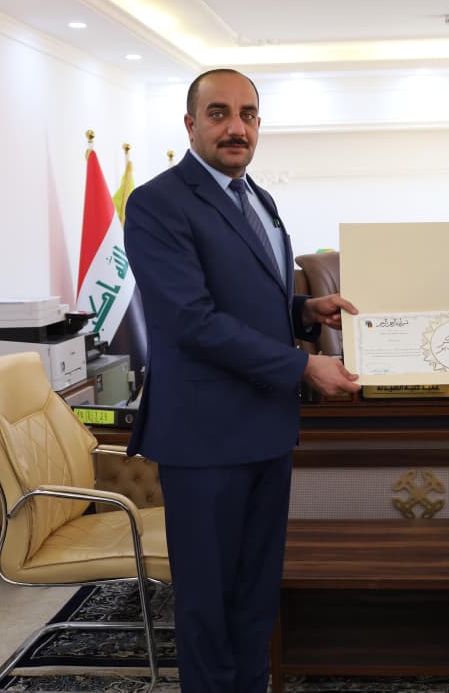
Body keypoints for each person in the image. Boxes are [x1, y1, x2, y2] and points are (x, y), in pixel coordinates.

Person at [123, 68, 361, 692]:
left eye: (248, 115)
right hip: (203, 439)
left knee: (256, 592)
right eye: (219, 113)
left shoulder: (259, 198)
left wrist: (303, 311)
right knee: (208, 602)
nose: (237, 127)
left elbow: (248, 300)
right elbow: (191, 321)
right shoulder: (157, 203)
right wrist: (303, 365)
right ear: (190, 124)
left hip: (267, 428)